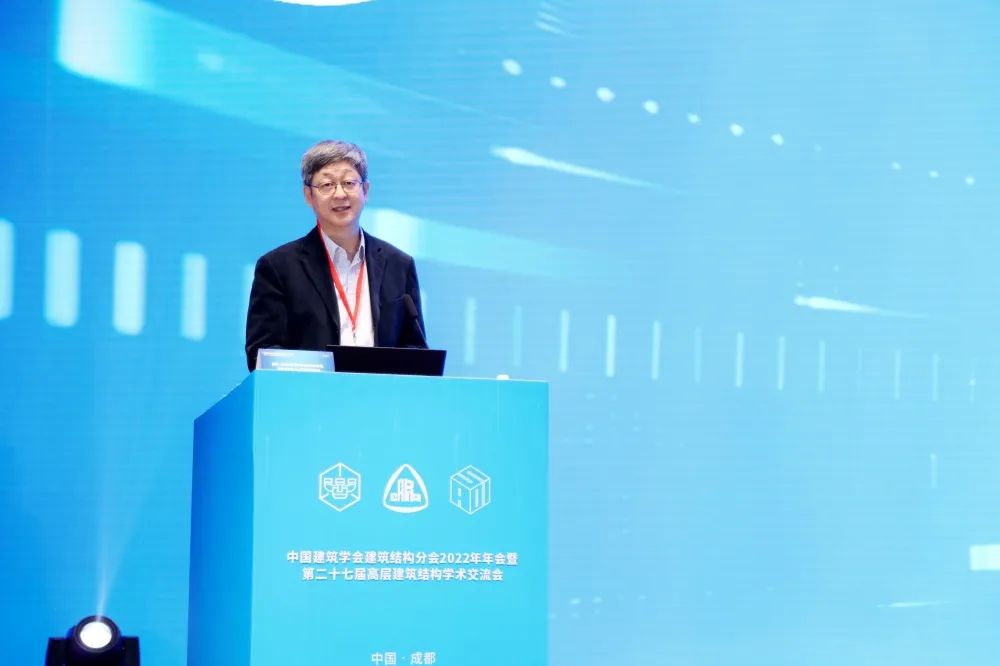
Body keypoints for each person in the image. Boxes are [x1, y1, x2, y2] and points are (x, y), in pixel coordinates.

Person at [245, 140, 426, 371]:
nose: (340, 194)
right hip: (310, 392)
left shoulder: (399, 265)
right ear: (308, 195)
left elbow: (415, 348)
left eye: (349, 183)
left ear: (366, 190)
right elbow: (262, 353)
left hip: (381, 392)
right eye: (327, 185)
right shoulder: (278, 267)